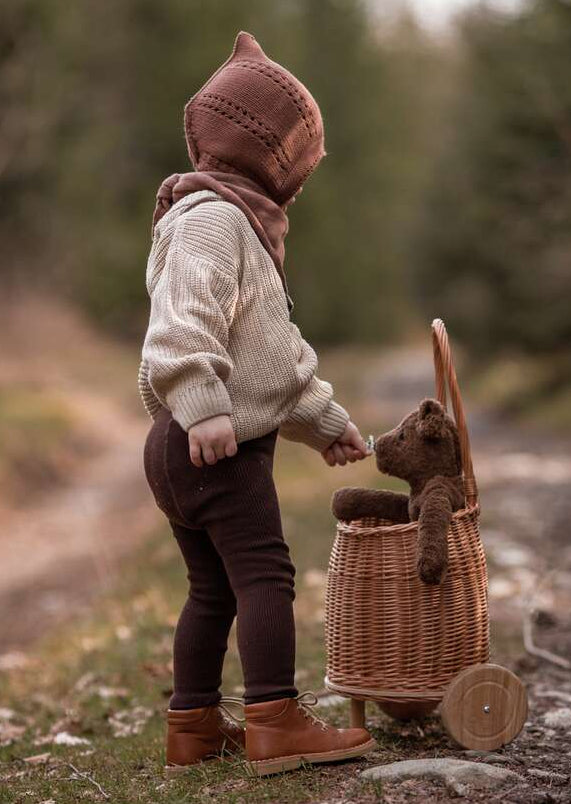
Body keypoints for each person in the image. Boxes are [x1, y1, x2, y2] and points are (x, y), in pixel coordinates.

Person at [139, 31, 376, 776]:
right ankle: (275, 720)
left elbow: (269, 363)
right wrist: (203, 400)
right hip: (211, 442)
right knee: (265, 578)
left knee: (211, 590)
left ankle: (195, 728)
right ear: (275, 153)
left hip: (187, 443)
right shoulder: (214, 218)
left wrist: (326, 425)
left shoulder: (233, 219)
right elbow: (184, 318)